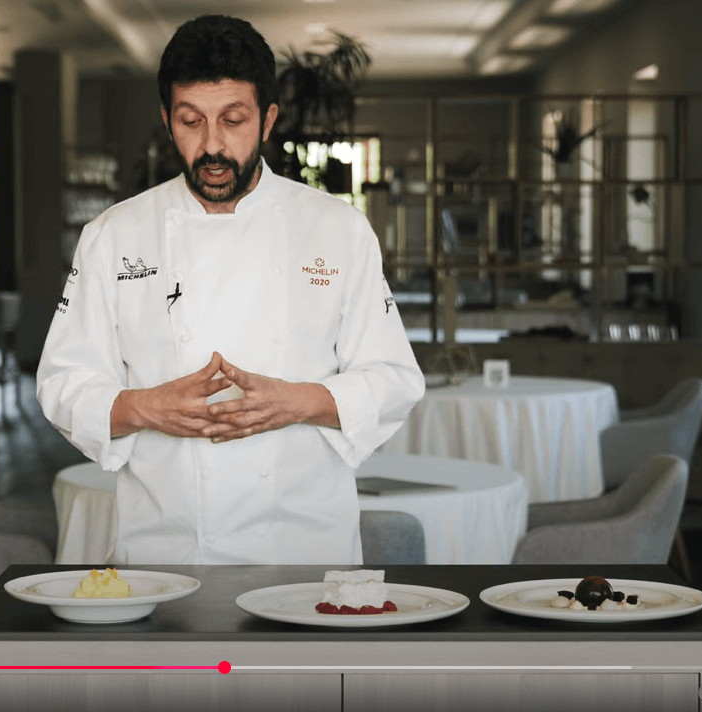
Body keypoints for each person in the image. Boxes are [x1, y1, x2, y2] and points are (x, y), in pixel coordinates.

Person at [37, 15, 425, 565]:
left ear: (267, 120)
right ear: (167, 120)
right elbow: (62, 383)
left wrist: (302, 402)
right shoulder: (114, 235)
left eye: (233, 120)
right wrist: (145, 408)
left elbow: (396, 380)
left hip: (304, 549)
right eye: (191, 121)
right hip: (163, 550)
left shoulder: (337, 229)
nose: (213, 145)